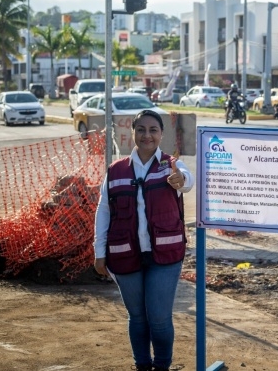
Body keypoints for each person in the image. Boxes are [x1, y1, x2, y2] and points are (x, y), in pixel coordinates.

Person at [93, 110, 195, 371]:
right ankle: (142, 365)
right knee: (137, 317)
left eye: (153, 130)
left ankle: (161, 366)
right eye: (141, 129)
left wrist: (181, 180)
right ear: (133, 133)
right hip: (125, 254)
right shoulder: (116, 171)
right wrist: (99, 252)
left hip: (165, 257)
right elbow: (104, 210)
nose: (147, 135)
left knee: (159, 319)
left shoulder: (171, 165)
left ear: (161, 134)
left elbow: (187, 182)